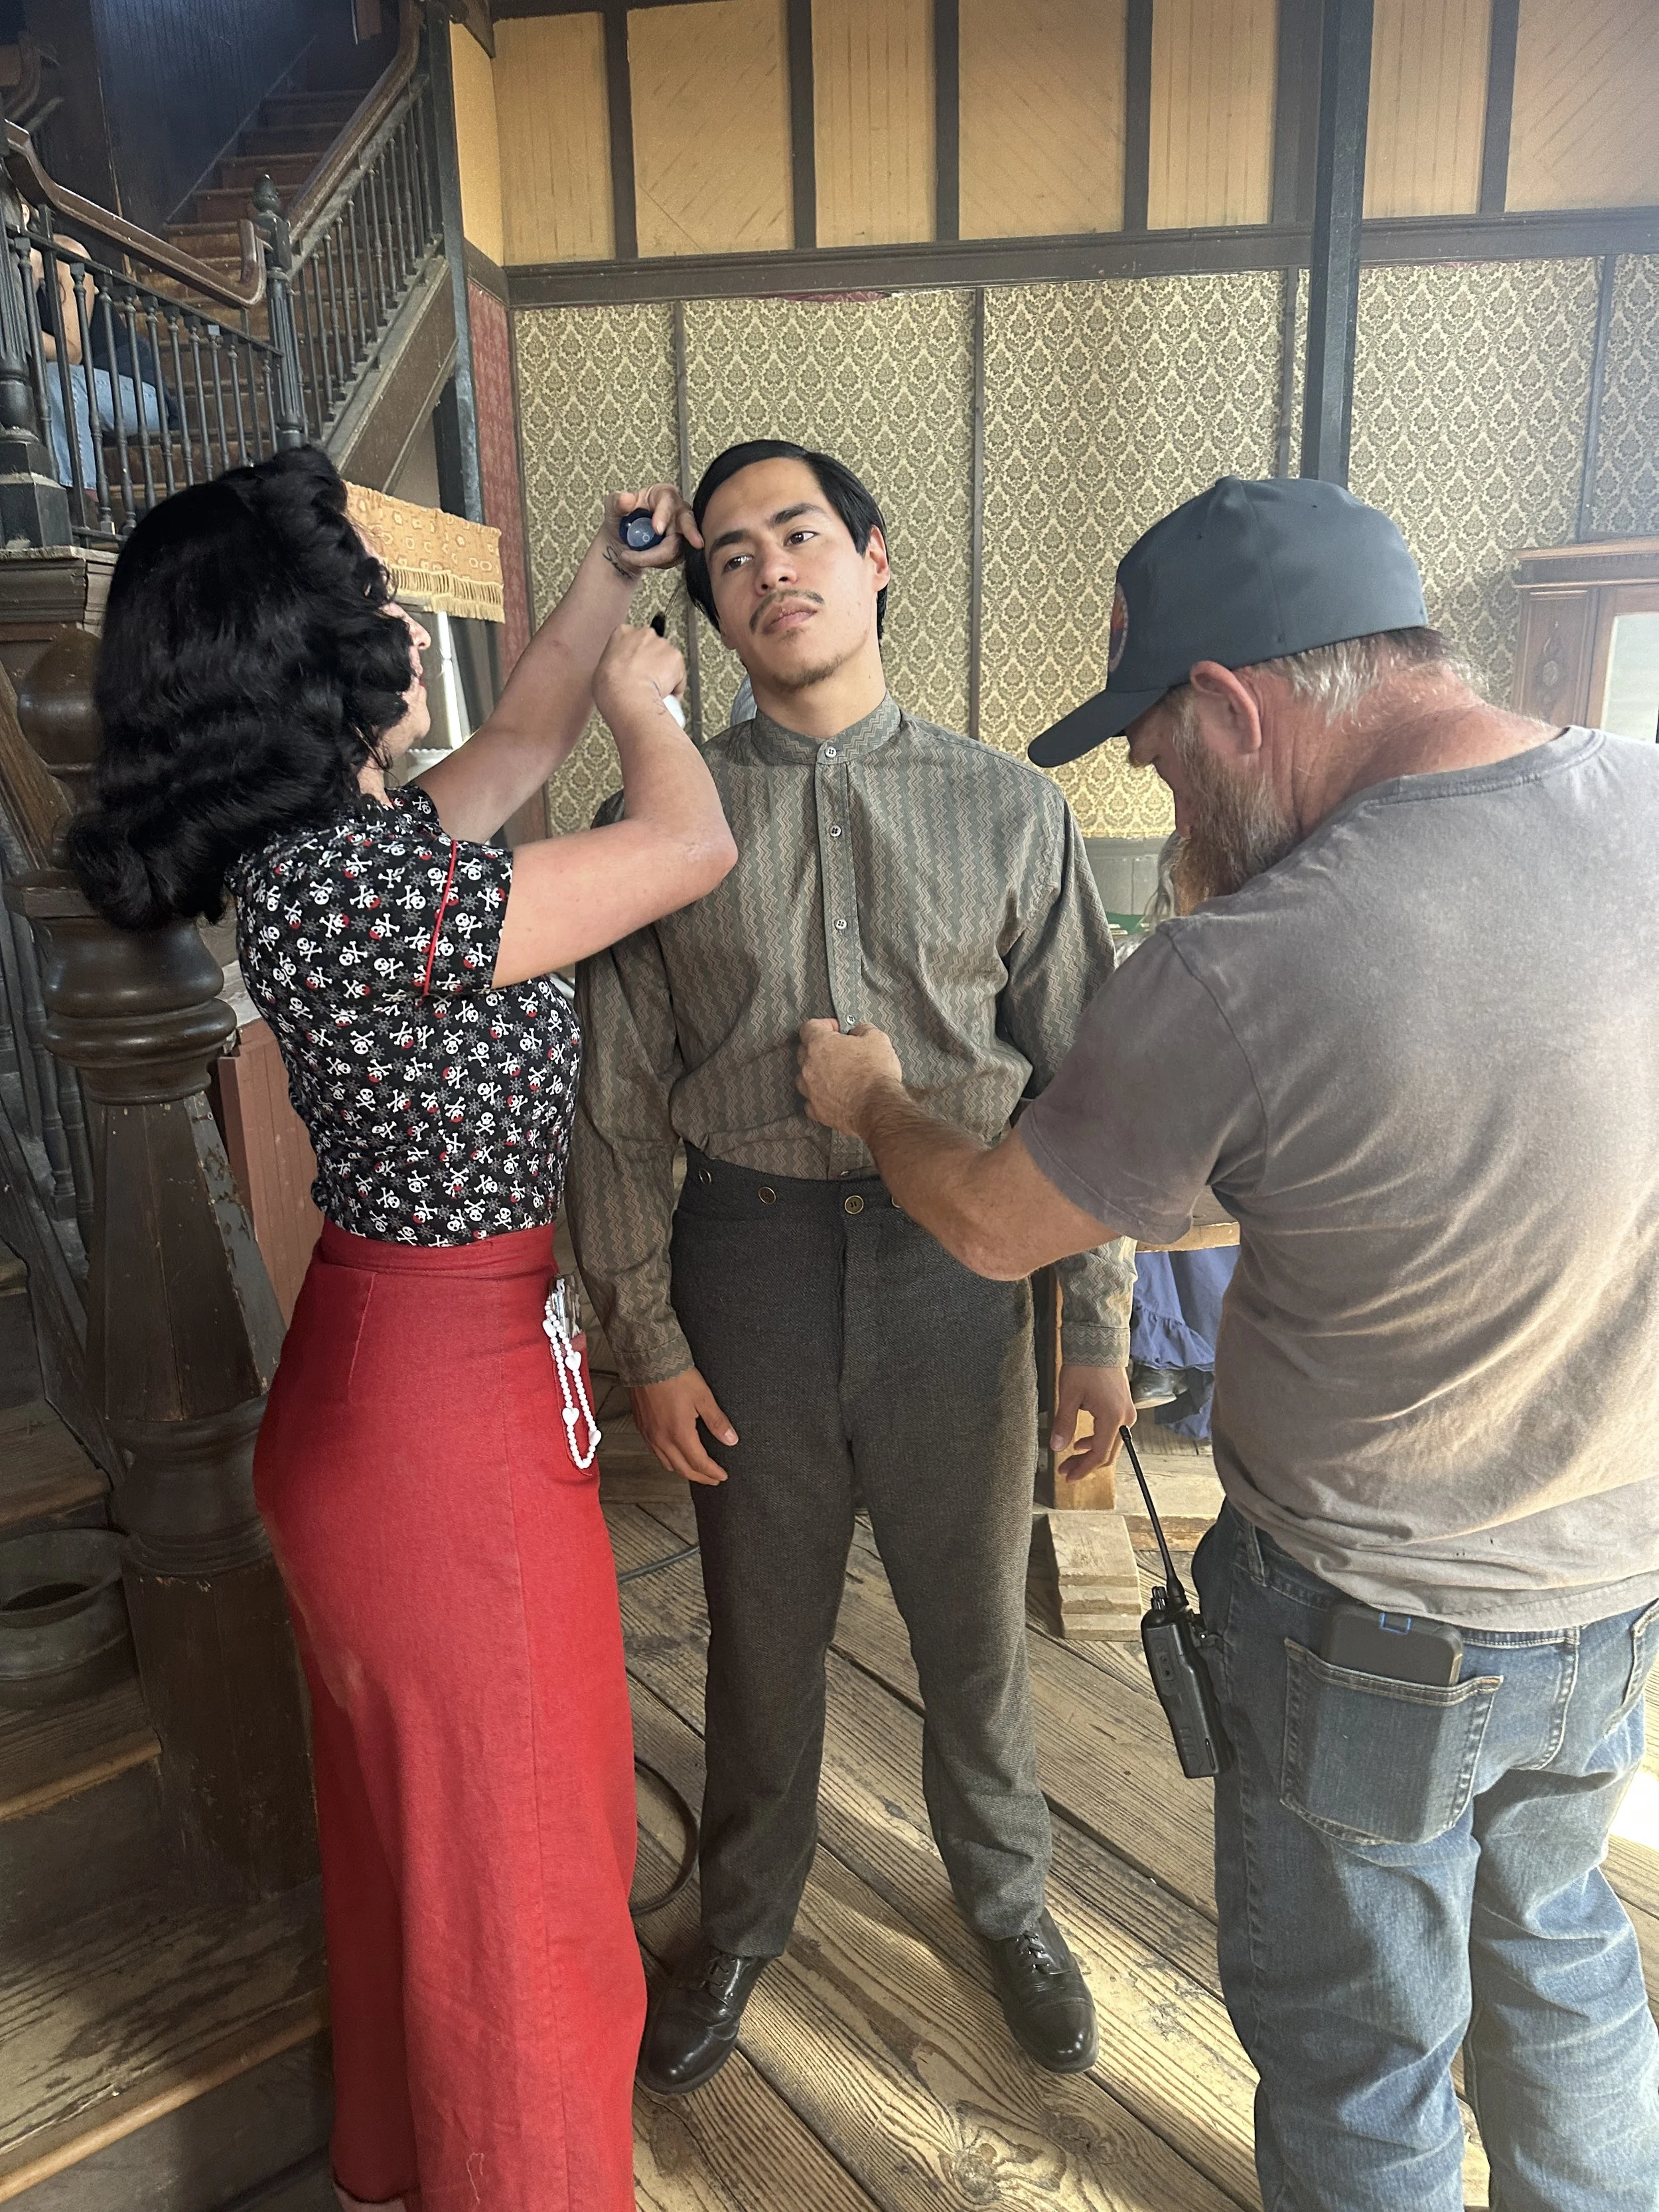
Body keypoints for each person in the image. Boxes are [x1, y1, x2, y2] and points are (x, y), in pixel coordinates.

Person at [796, 474, 1659, 2212]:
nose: (1155, 788)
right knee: (1562, 1957)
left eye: (1161, 748)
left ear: (1238, 705)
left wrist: (876, 1096)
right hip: (1608, 1582)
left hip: (1360, 1624)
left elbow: (988, 1219)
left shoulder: (1244, 963)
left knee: (1357, 2056)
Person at [67, 446, 737, 2212]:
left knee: (428, 1858)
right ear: (301, 656)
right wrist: (651, 698)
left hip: (407, 1378)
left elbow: (515, 745)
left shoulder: (325, 860)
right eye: (356, 594)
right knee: (517, 1897)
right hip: (440, 1418)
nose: (380, 611)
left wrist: (600, 578)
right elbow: (686, 840)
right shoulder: (357, 887)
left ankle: (411, 2167)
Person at [567, 437, 1135, 2098]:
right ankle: (741, 1917)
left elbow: (1084, 1091)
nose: (767, 571)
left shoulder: (1013, 808)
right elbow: (612, 1090)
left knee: (973, 1625)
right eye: (730, 556)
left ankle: (1007, 1899)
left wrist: (1091, 1328)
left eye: (797, 533)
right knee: (760, 1624)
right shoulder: (664, 818)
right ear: (714, 610)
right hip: (739, 1258)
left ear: (874, 557)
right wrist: (646, 1333)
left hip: (964, 1262)